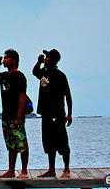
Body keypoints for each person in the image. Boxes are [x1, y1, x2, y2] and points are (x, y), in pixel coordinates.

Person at [32, 49, 73, 178]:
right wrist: (38, 62)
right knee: (48, 142)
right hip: (46, 113)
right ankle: (51, 169)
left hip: (58, 113)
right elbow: (34, 72)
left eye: (47, 57)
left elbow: (68, 94)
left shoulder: (60, 75)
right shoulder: (43, 72)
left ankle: (66, 169)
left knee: (61, 141)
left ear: (54, 60)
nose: (45, 59)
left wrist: (69, 113)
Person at [0, 49, 29, 178]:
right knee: (10, 144)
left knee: (21, 143)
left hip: (16, 116)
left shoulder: (19, 76)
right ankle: (11, 170)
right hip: (6, 115)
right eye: (4, 58)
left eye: (7, 58)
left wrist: (19, 116)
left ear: (14, 60)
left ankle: (24, 171)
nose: (4, 60)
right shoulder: (4, 76)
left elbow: (22, 97)